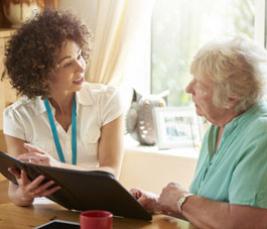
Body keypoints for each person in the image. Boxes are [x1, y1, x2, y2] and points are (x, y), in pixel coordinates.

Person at [131, 37, 267, 228]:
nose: (188, 88)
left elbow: (243, 224)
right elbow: (210, 215)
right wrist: (161, 203)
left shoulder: (262, 135)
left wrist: (181, 200)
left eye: (200, 84)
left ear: (231, 98)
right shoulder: (217, 127)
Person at [3, 10, 123, 207]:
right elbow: (14, 191)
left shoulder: (107, 100)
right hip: (44, 213)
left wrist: (56, 166)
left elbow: (110, 173)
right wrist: (24, 195)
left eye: (79, 56)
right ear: (41, 74)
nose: (81, 66)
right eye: (68, 63)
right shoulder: (17, 116)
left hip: (97, 208)